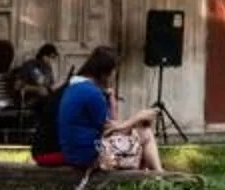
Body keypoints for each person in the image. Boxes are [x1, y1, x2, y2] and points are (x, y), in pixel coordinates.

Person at [47, 45, 161, 174]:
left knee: (139, 132)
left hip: (75, 153)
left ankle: (152, 175)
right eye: (113, 72)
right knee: (145, 133)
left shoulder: (76, 87)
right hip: (90, 157)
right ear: (103, 73)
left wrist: (112, 99)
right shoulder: (92, 93)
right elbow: (109, 130)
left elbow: (110, 123)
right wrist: (137, 118)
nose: (114, 76)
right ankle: (160, 174)